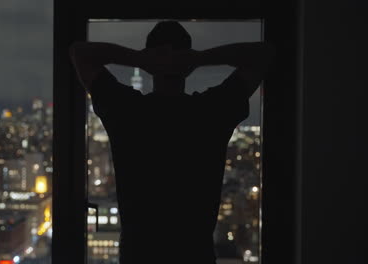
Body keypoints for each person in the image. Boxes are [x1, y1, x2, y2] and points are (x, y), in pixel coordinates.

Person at [70, 20, 275, 264]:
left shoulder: (128, 111)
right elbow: (263, 55)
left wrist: (139, 59)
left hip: (139, 254)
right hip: (194, 253)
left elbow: (79, 53)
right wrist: (198, 59)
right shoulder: (210, 113)